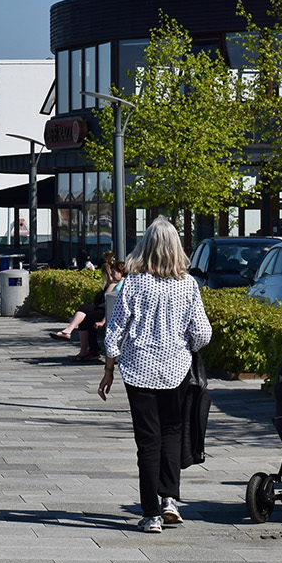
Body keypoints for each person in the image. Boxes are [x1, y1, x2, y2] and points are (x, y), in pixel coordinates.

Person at [98, 217, 212, 533]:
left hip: (138, 370)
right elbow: (202, 333)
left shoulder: (132, 284)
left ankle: (151, 514)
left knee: (148, 441)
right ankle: (170, 499)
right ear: (176, 249)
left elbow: (114, 331)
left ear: (145, 246)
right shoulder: (188, 285)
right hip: (176, 369)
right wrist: (184, 345)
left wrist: (109, 369)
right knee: (173, 432)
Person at [53, 255, 126, 362]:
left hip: (109, 312)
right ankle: (77, 338)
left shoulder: (121, 284)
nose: (112, 274)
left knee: (86, 315)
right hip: (106, 311)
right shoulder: (116, 283)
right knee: (85, 312)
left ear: (121, 273)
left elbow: (114, 303)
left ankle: (75, 338)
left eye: (114, 272)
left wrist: (102, 321)